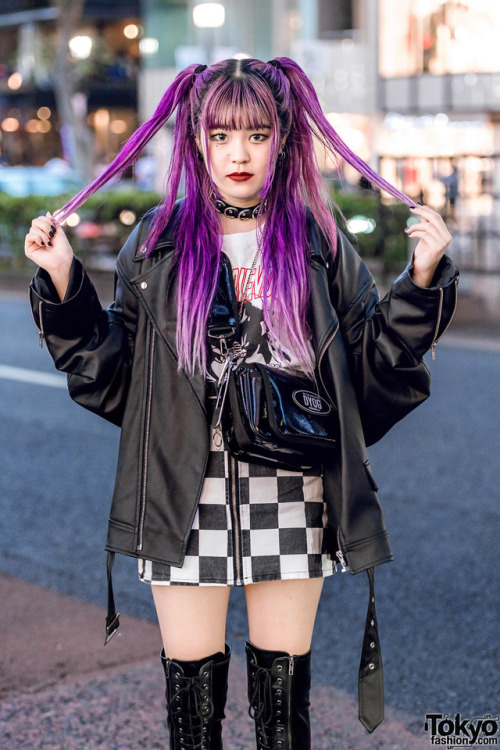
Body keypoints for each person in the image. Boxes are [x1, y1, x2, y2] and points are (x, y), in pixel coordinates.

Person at [25, 57, 457, 749]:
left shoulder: (317, 242)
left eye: (256, 134)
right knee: (191, 712)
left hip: (294, 488)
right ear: (196, 140)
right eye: (221, 134)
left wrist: (423, 281)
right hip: (180, 493)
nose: (238, 153)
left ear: (283, 139)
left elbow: (371, 382)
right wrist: (64, 280)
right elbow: (114, 381)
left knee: (284, 710)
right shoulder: (158, 245)